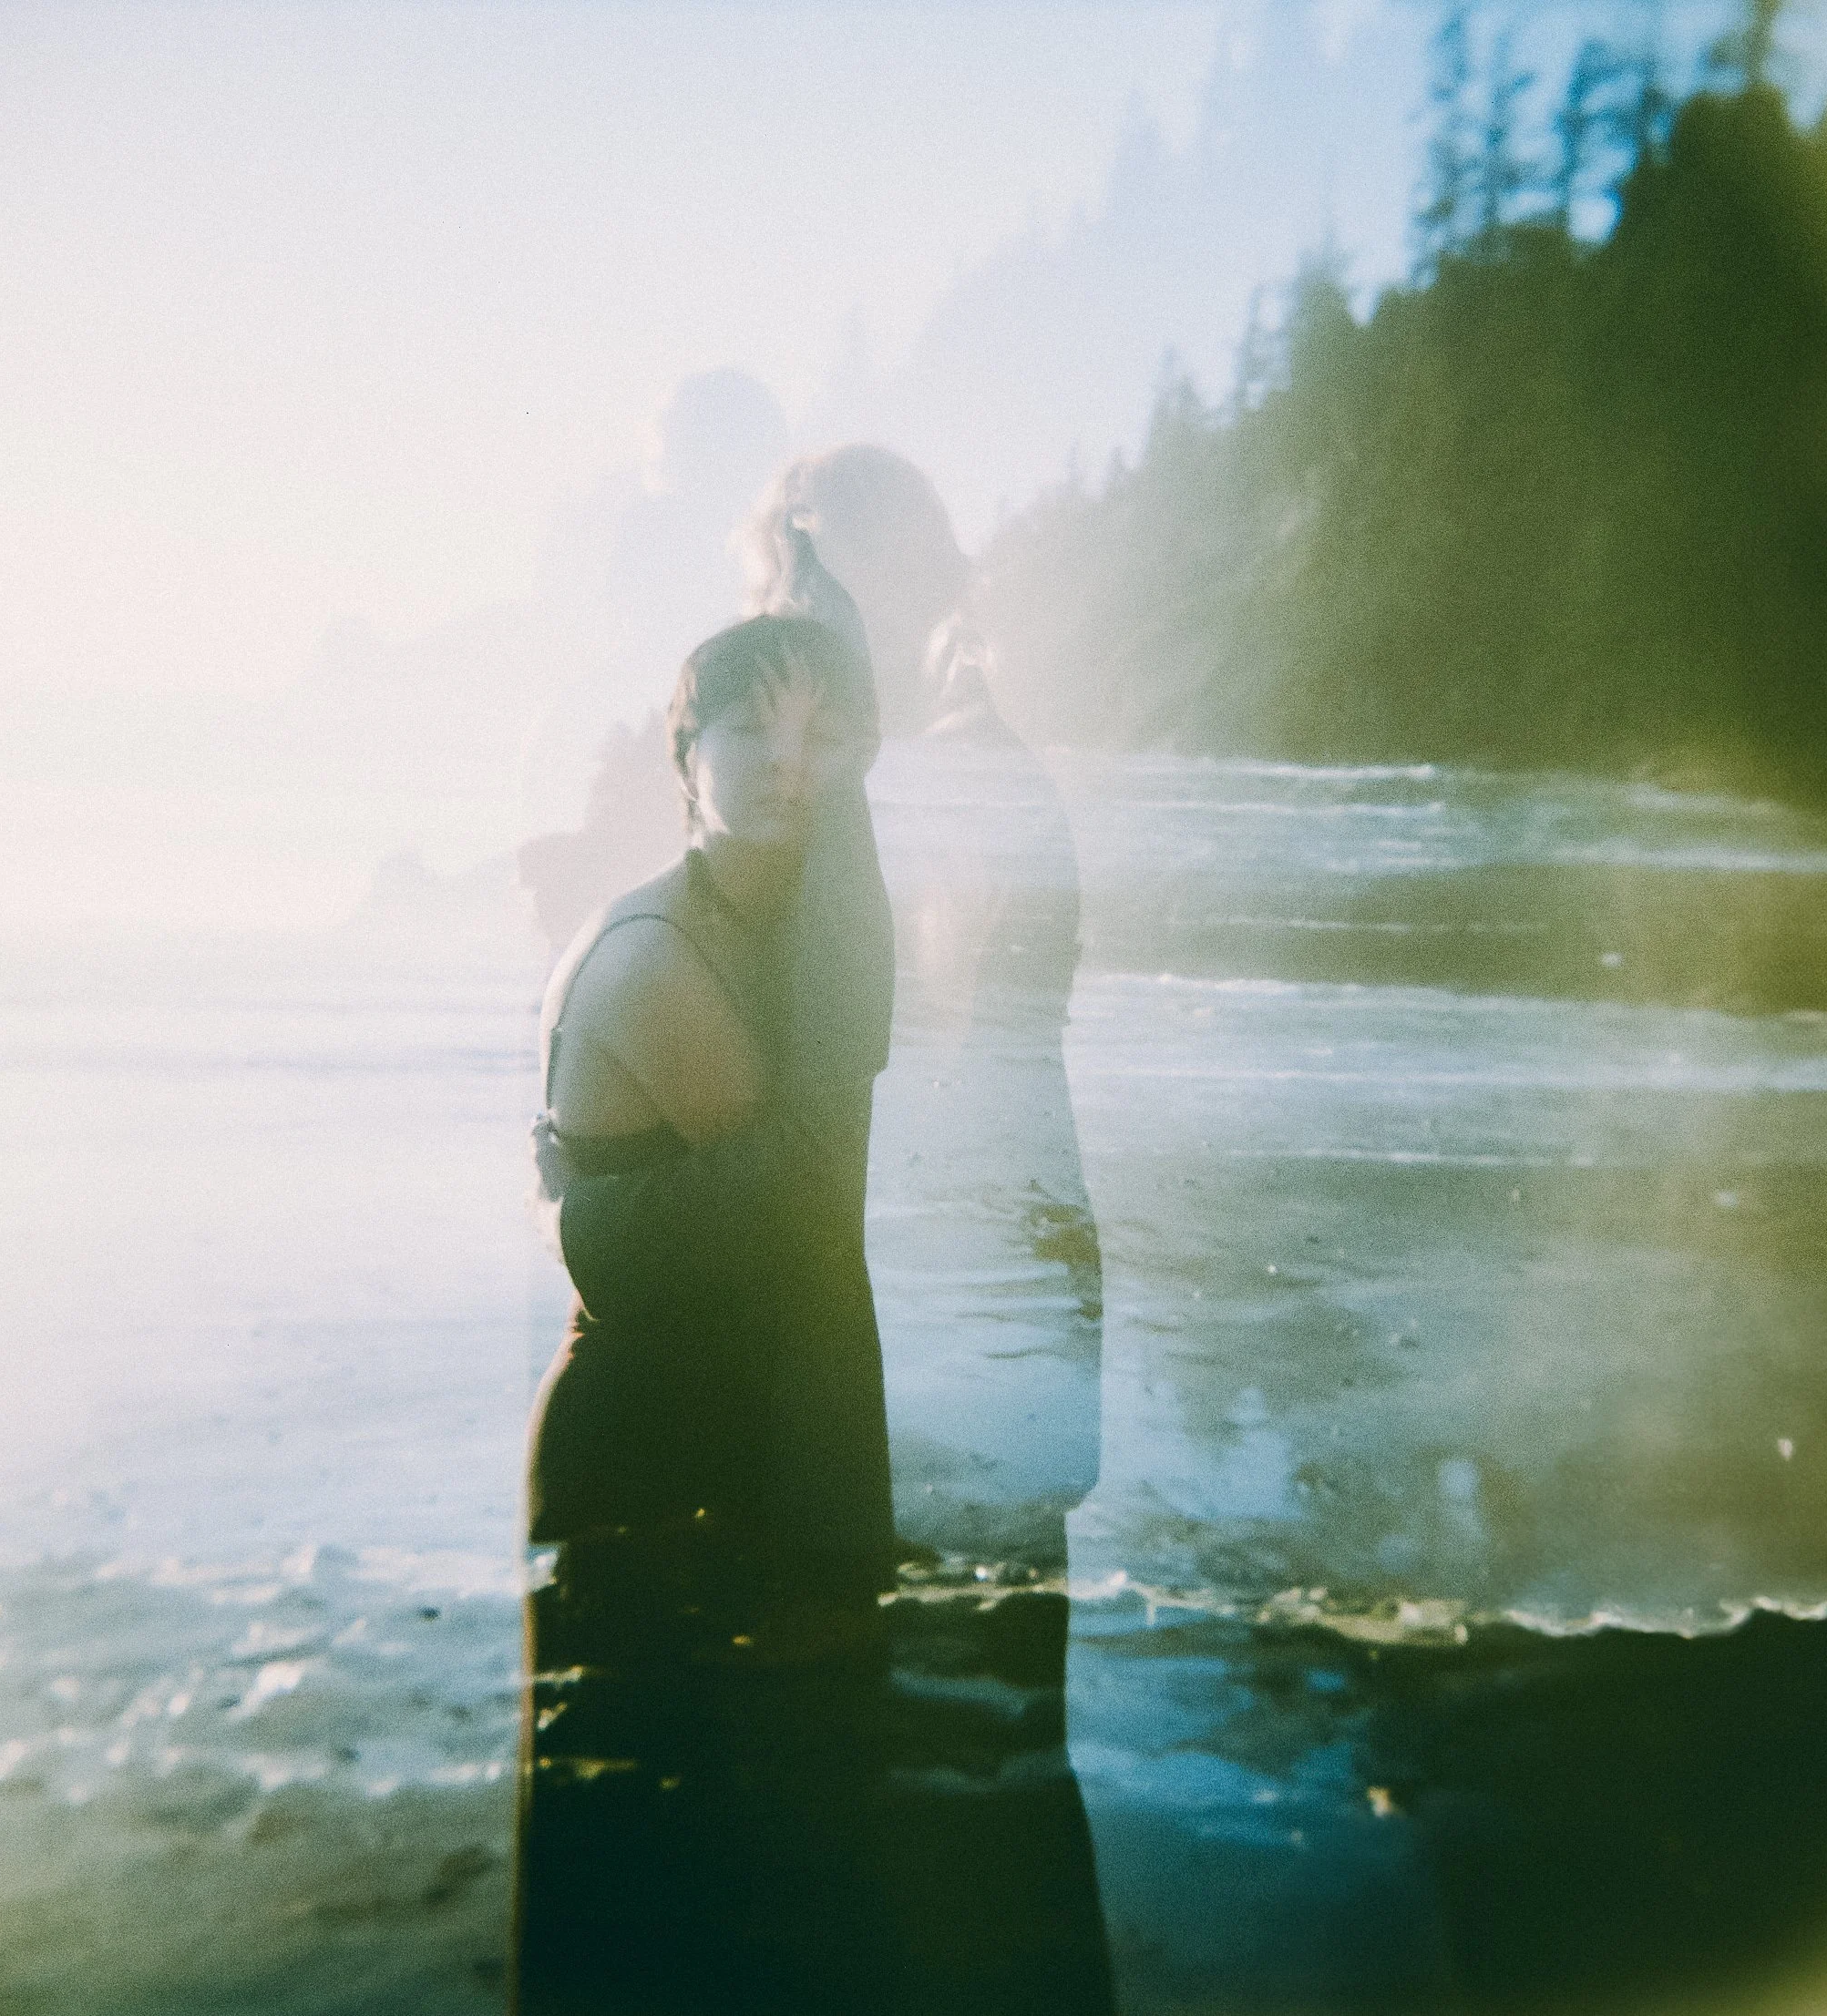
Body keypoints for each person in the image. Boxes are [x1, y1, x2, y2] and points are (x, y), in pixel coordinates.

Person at [744, 445, 1114, 2015]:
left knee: (960, 1750)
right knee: (978, 1753)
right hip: (989, 1277)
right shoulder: (924, 773)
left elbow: (928, 1034)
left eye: (794, 596)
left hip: (963, 1292)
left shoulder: (943, 780)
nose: (779, 635)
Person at [513, 608, 898, 2015]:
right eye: (747, 726)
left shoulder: (778, 922)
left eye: (820, 734)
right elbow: (810, 1199)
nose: (785, 761)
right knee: (646, 1903)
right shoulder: (656, 955)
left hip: (725, 1435)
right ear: (685, 755)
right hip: (642, 1461)